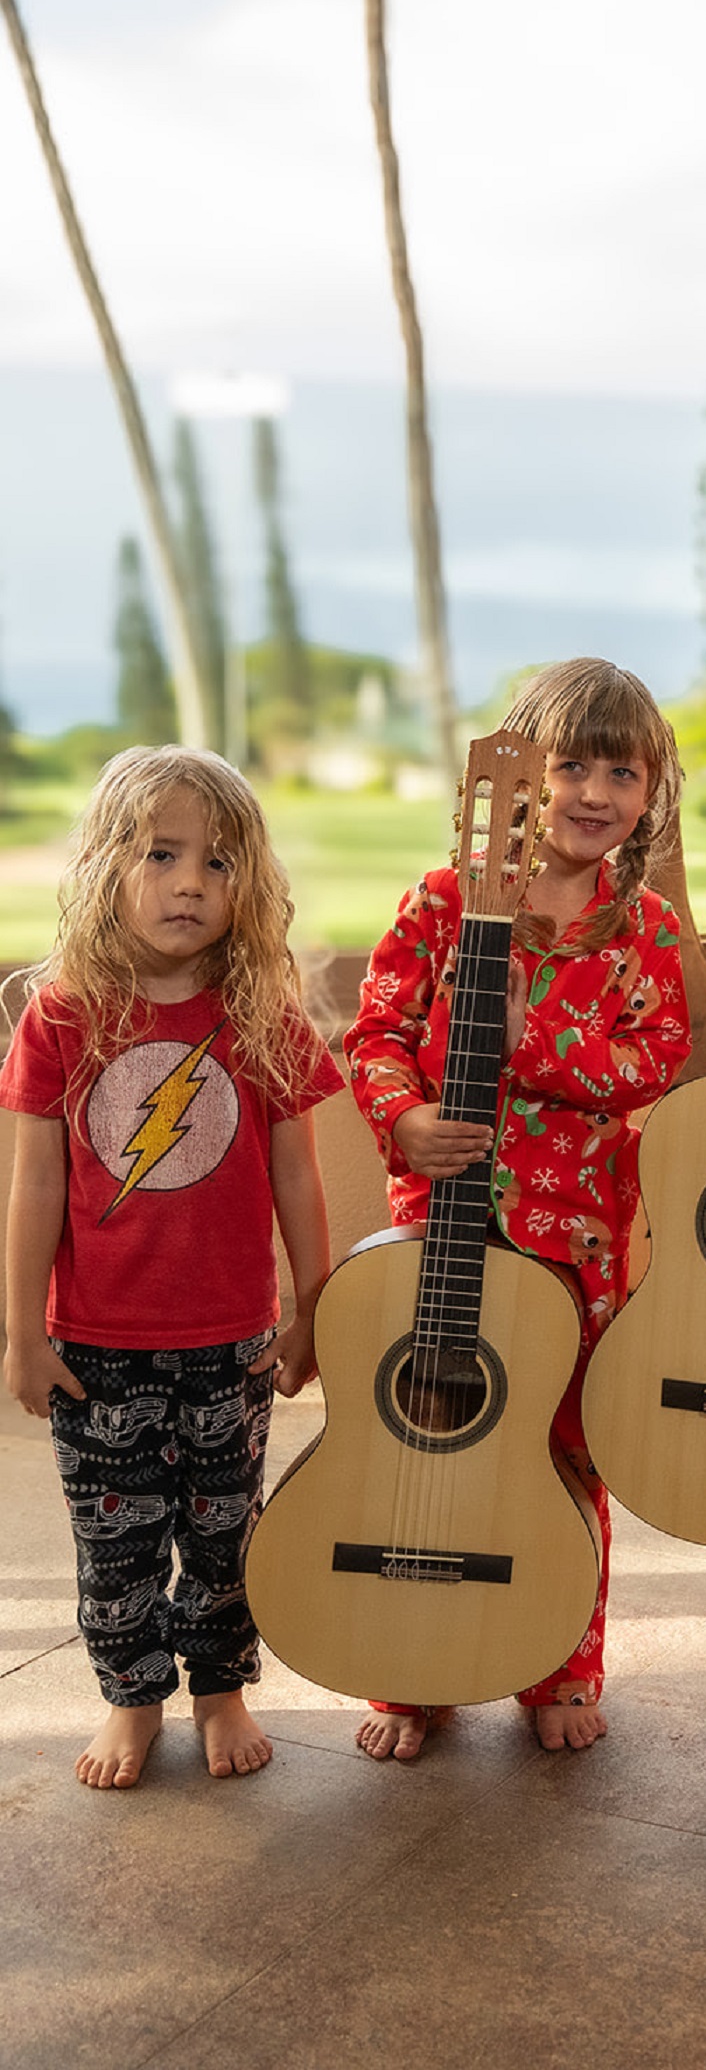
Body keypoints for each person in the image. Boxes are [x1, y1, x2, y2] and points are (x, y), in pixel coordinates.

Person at [345, 660, 690, 1759]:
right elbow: (377, 1035)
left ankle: (560, 1659)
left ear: (651, 793)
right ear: (515, 778)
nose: (594, 791)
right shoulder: (443, 903)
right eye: (569, 764)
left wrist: (527, 1039)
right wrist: (402, 1120)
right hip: (439, 1233)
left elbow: (652, 1061)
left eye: (620, 771)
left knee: (557, 1450)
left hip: (574, 1242)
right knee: (426, 1438)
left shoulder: (642, 928)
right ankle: (413, 1664)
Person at [2, 748, 340, 1790]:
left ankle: (220, 1686)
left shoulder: (263, 1014)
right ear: (106, 863)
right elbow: (36, 1185)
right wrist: (22, 1332)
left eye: (220, 859)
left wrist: (311, 1312)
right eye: (161, 853)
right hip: (98, 1343)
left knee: (223, 1529)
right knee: (117, 1541)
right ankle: (130, 1696)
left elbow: (300, 1178)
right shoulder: (63, 1015)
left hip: (231, 1338)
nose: (191, 879)